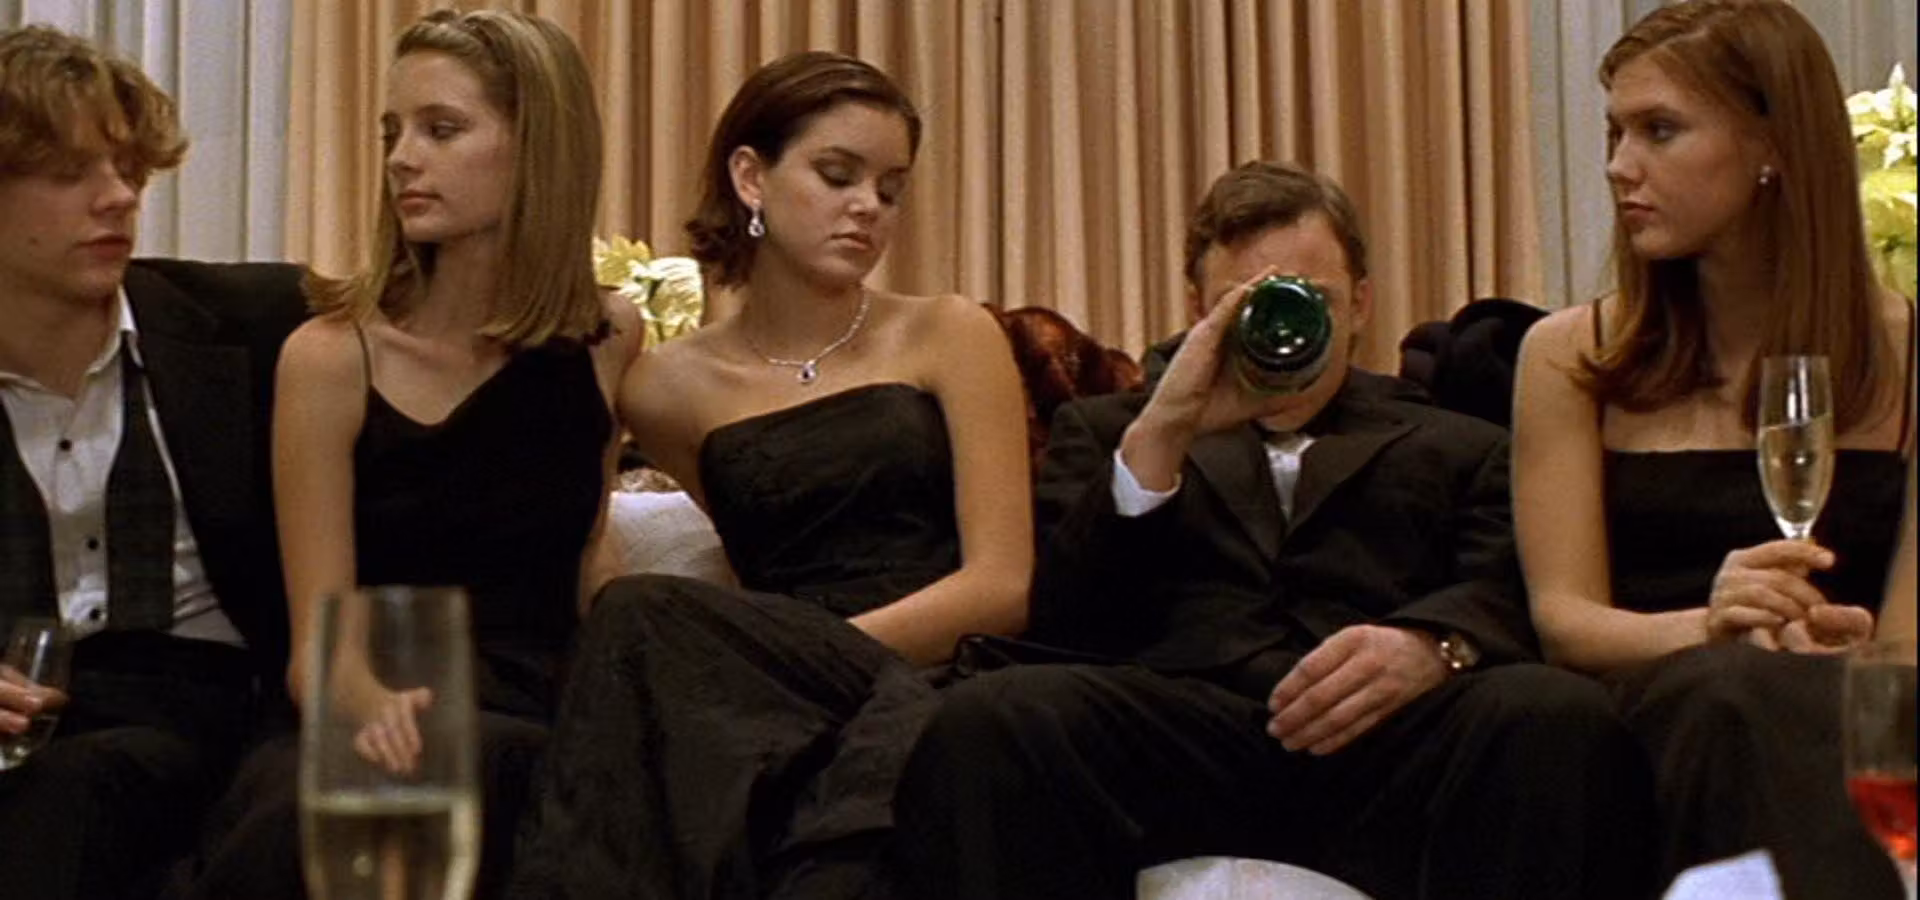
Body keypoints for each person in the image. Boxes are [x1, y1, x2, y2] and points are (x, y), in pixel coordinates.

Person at [891, 160, 1658, 900]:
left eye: (1310, 300)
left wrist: (1436, 646)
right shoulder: (1115, 432)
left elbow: (1508, 588)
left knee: (1556, 715)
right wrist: (1163, 436)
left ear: (1361, 305)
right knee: (993, 719)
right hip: (1180, 740)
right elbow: (1062, 618)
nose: (1286, 329)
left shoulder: (1457, 440)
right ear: (1200, 310)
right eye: (1250, 304)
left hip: (1386, 743)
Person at [509, 51, 1032, 899]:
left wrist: (795, 658)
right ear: (751, 177)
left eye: (890, 189)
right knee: (635, 622)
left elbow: (1002, 586)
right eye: (838, 175)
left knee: (655, 625)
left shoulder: (949, 333)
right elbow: (588, 555)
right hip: (765, 691)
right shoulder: (666, 386)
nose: (867, 206)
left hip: (937, 670)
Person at [167, 10, 638, 899]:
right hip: (370, 704)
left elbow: (591, 555)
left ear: (539, 150)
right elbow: (319, 648)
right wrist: (376, 711)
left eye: (441, 130)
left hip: (545, 707)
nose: (401, 159)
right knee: (341, 809)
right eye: (393, 132)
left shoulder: (609, 335)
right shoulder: (331, 356)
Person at [1511, 1, 1915, 897]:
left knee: (1809, 704)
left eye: (1659, 131)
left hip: (1838, 707)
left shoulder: (1910, 353)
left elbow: (1908, 644)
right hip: (1651, 708)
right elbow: (1565, 619)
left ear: (1774, 146)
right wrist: (1712, 624)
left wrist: (1846, 642)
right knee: (1731, 691)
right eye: (1615, 133)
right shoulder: (1569, 355)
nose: (1620, 166)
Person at [0, 25, 307, 900]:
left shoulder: (256, 322)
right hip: (28, 717)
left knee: (82, 786)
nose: (117, 199)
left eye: (129, 170)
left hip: (213, 705)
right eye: (70, 173)